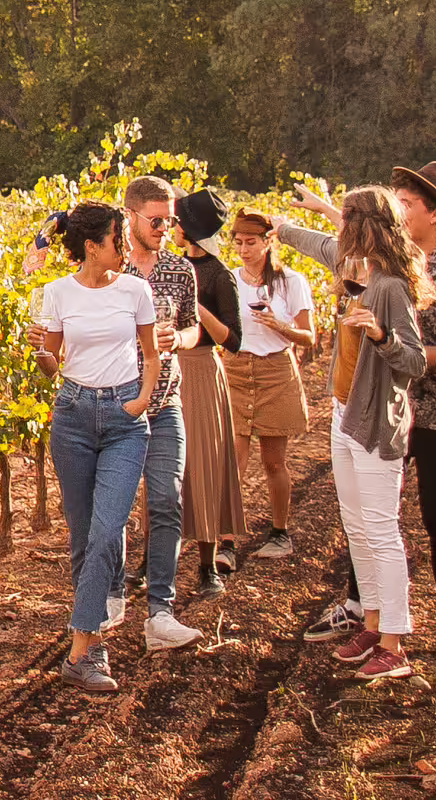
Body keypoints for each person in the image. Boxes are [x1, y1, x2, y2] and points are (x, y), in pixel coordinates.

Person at [299, 164, 436, 653]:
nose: (401, 209)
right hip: (381, 403)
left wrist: (391, 340)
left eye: (409, 202)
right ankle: (367, 613)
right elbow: (335, 246)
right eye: (397, 202)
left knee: (435, 516)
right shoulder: (383, 263)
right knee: (368, 516)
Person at [274, 186, 432, 681]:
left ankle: (395, 644)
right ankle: (373, 623)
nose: (338, 230)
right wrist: (280, 229)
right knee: (357, 526)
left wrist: (381, 337)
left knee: (381, 528)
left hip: (374, 420)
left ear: (364, 226)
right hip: (345, 414)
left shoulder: (390, 287)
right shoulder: (356, 268)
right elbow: (318, 245)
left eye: (346, 220)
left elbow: (416, 361)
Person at [25, 202, 159, 692]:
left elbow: (150, 353)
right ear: (91, 246)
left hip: (124, 421)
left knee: (108, 531)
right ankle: (93, 644)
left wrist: (141, 401)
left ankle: (81, 649)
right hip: (74, 419)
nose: (125, 248)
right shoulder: (57, 293)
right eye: (117, 239)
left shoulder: (136, 290)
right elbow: (51, 364)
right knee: (84, 537)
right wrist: (40, 351)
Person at [108, 177, 206, 654]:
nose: (166, 227)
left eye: (171, 220)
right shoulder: (108, 269)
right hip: (118, 406)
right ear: (129, 215)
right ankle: (111, 595)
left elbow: (191, 330)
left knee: (166, 501)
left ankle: (161, 613)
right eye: (156, 219)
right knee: (116, 508)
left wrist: (178, 341)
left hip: (166, 403)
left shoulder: (179, 270)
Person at [221, 210, 315, 561]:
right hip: (235, 371)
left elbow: (308, 336)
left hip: (276, 371)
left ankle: (280, 532)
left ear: (268, 242)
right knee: (234, 458)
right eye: (239, 243)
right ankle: (226, 542)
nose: (244, 250)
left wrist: (280, 326)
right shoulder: (229, 280)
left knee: (274, 462)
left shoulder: (291, 282)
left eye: (251, 243)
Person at [171, 188, 245, 597]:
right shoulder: (168, 266)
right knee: (164, 468)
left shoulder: (219, 275)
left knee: (202, 464)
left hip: (200, 371)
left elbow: (233, 340)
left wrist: (196, 307)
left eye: (177, 222)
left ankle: (206, 567)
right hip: (166, 368)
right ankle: (154, 559)